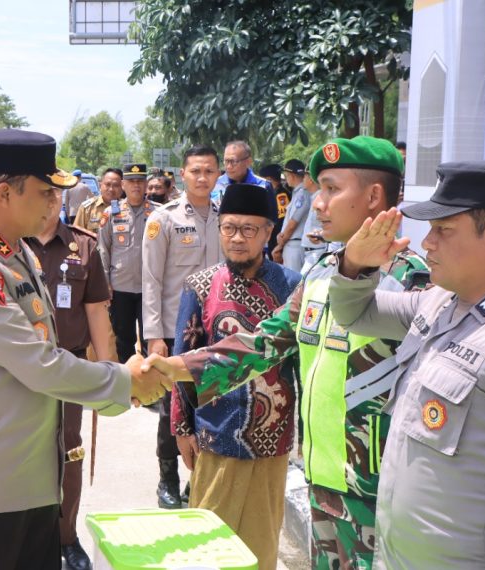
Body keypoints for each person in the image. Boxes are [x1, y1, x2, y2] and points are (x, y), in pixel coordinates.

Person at [146, 137, 429, 569]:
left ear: (373, 196)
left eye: (332, 189)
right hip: (324, 486)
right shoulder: (318, 276)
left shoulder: (412, 285)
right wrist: (173, 367)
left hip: (380, 494)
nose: (317, 203)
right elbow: (261, 345)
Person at [0, 129, 170, 569]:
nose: (55, 202)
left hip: (28, 487)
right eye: (45, 191)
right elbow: (39, 365)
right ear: (4, 192)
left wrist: (117, 388)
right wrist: (125, 381)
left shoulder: (16, 255)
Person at [330, 161, 485, 568]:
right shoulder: (439, 304)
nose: (426, 243)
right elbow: (354, 312)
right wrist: (354, 263)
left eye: (444, 230)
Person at [169, 183, 300, 570]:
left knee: (260, 551)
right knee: (207, 549)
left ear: (267, 233)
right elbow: (183, 361)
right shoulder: (201, 286)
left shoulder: (293, 287)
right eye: (229, 228)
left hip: (272, 440)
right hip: (215, 436)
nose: (237, 238)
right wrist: (181, 427)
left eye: (248, 229)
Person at [24, 189, 114, 570]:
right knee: (24, 452)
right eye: (41, 194)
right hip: (21, 370)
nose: (48, 203)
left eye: (55, 196)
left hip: (71, 366)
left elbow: (97, 315)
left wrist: (111, 376)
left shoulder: (85, 246)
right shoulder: (10, 244)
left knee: (69, 452)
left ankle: (66, 536)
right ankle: (27, 535)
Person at [142, 144, 223, 509]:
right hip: (177, 331)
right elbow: (151, 280)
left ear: (218, 174)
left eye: (209, 171)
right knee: (171, 408)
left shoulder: (226, 218)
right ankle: (168, 479)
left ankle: (199, 478)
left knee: (211, 404)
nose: (202, 177)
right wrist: (154, 336)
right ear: (183, 174)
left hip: (217, 330)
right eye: (196, 171)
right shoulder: (165, 218)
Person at [98, 163, 155, 364]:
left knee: (151, 338)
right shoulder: (110, 213)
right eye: (131, 182)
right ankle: (129, 382)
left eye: (140, 181)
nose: (136, 186)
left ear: (146, 184)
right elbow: (103, 249)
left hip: (149, 288)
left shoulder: (158, 213)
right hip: (120, 287)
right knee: (124, 339)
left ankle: (151, 385)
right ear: (123, 185)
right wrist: (105, 282)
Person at [272, 159, 309, 270]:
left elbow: (293, 223)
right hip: (291, 243)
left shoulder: (302, 194)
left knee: (294, 284)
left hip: (295, 245)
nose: (286, 178)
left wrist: (280, 245)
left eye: (286, 175)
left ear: (292, 175)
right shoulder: (297, 193)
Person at [74, 167, 123, 232]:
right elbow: (77, 236)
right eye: (107, 185)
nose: (111, 189)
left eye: (116, 185)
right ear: (100, 186)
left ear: (122, 187)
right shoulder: (87, 209)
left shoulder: (127, 208)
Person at [300, 173, 330, 268]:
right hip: (311, 251)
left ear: (311, 180)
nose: (302, 179)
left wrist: (321, 236)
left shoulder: (321, 199)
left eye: (304, 176)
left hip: (318, 251)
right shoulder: (314, 197)